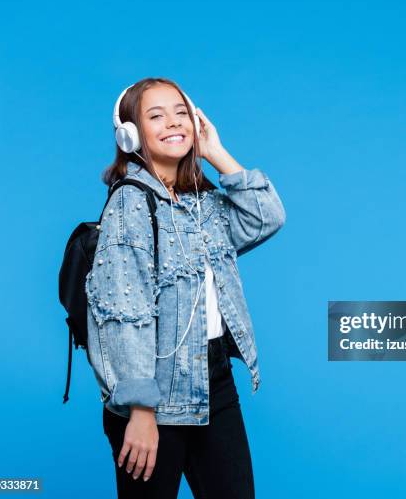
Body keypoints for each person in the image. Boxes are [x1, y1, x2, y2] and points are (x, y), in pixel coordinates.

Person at [84, 77, 286, 498]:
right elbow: (125, 313)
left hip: (214, 382)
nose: (173, 123)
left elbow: (266, 218)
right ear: (130, 135)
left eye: (181, 113)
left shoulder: (201, 203)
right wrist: (140, 410)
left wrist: (215, 152)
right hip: (153, 395)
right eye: (155, 116)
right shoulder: (130, 204)